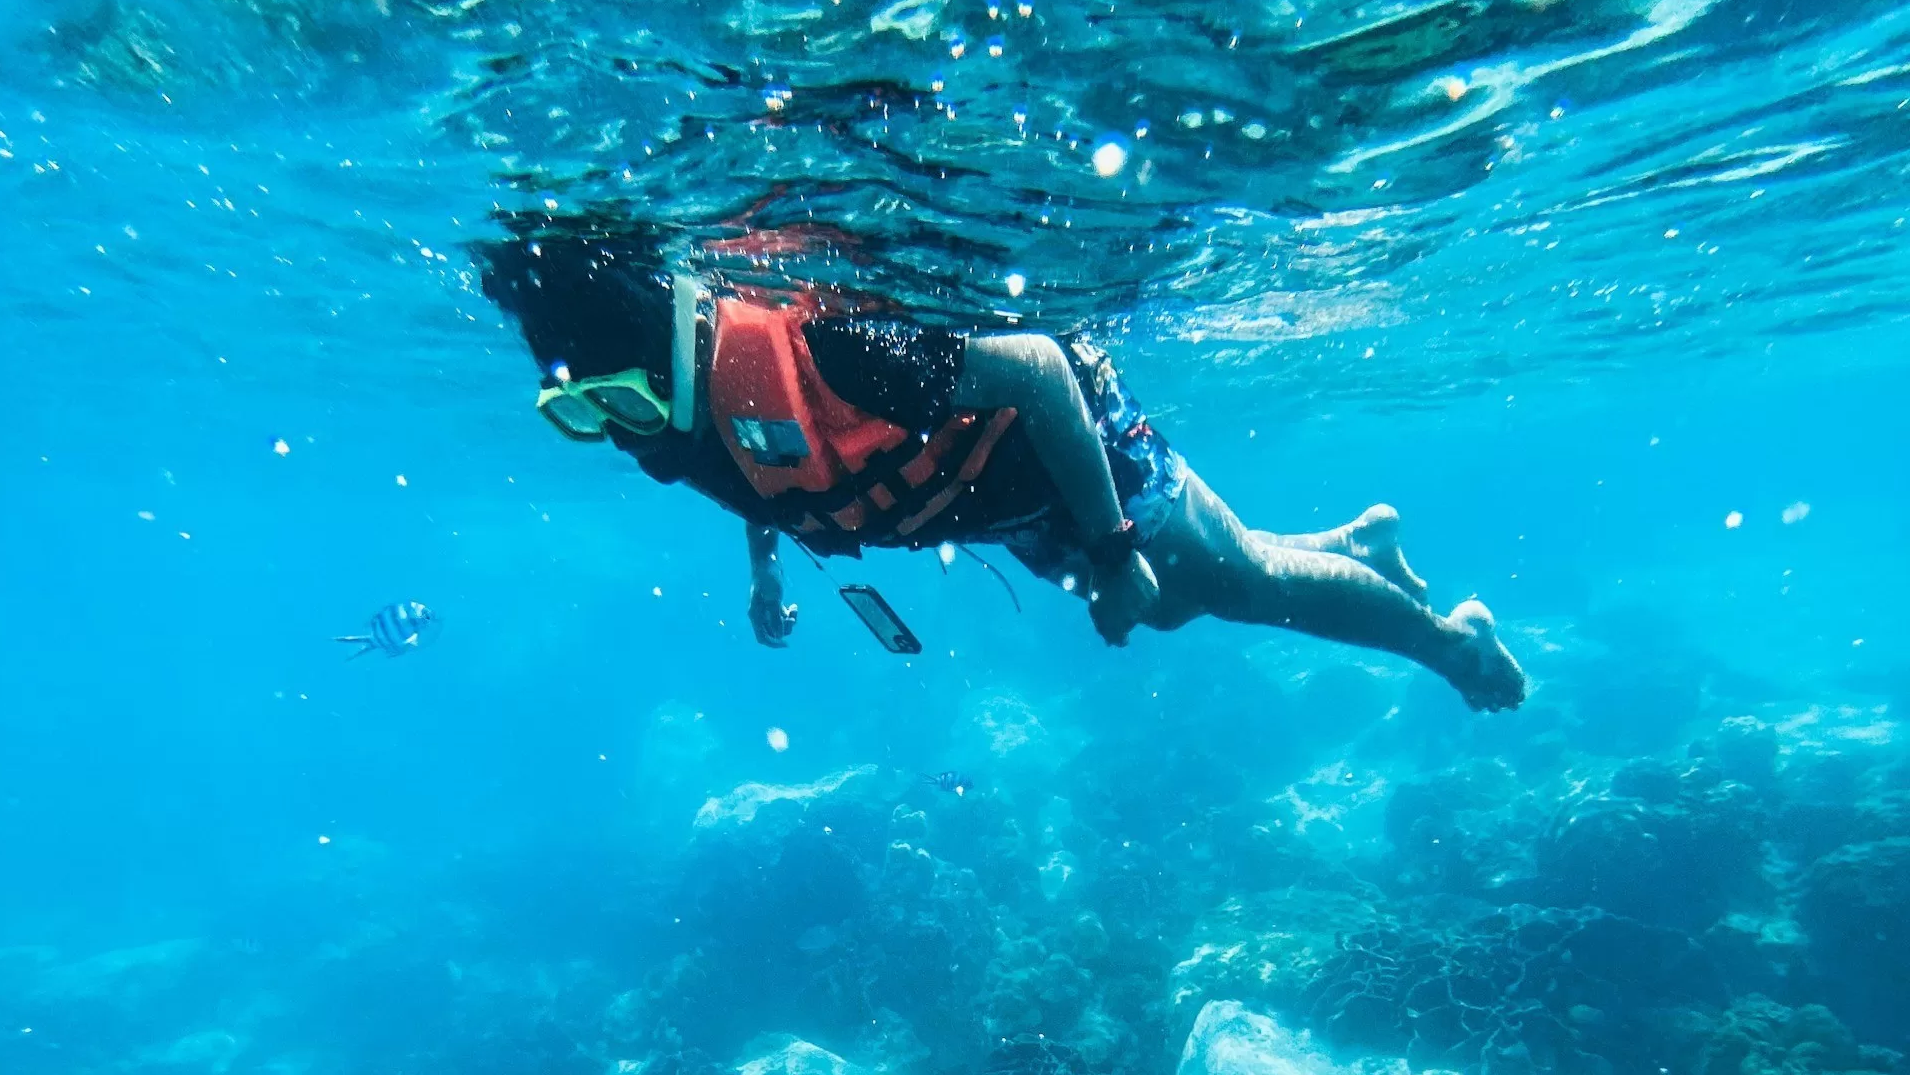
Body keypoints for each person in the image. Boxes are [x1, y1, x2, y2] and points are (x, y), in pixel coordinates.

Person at [479, 237, 1527, 711]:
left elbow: (1032, 368)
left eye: (619, 402)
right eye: (584, 417)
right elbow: (763, 480)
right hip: (1007, 499)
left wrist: (1113, 546)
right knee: (1172, 609)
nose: (619, 434)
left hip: (1069, 443)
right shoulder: (692, 419)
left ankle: (1448, 643)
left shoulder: (832, 354)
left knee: (1240, 584)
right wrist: (761, 575)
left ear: (667, 351)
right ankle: (1360, 546)